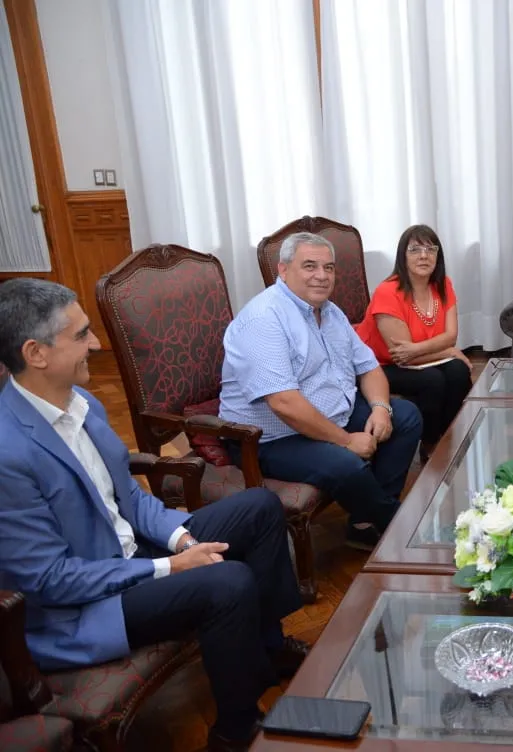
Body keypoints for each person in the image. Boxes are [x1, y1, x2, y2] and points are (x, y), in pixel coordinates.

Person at [0, 279, 305, 752]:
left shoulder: (83, 403)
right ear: (36, 353)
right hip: (84, 606)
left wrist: (181, 541)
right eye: (81, 335)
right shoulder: (7, 452)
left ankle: (266, 649)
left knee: (261, 507)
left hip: (131, 552)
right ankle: (235, 732)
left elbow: (130, 498)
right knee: (228, 581)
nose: (96, 344)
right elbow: (50, 580)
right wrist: (168, 566)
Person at [220, 231, 423, 551]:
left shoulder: (330, 312)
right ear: (283, 271)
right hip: (271, 438)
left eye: (328, 268)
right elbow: (284, 403)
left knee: (406, 415)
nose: (321, 276)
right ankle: (405, 528)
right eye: (310, 266)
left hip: (330, 413)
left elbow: (369, 367)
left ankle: (364, 523)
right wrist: (346, 441)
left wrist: (381, 408)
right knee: (345, 463)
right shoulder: (264, 318)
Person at [355, 225, 472, 456]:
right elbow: (401, 355)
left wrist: (442, 349)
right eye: (415, 249)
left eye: (431, 249)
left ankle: (446, 437)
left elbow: (450, 336)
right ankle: (429, 443)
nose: (423, 255)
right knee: (433, 380)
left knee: (458, 372)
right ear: (402, 256)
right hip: (380, 366)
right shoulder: (388, 292)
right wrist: (448, 352)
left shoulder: (443, 284)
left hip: (417, 359)